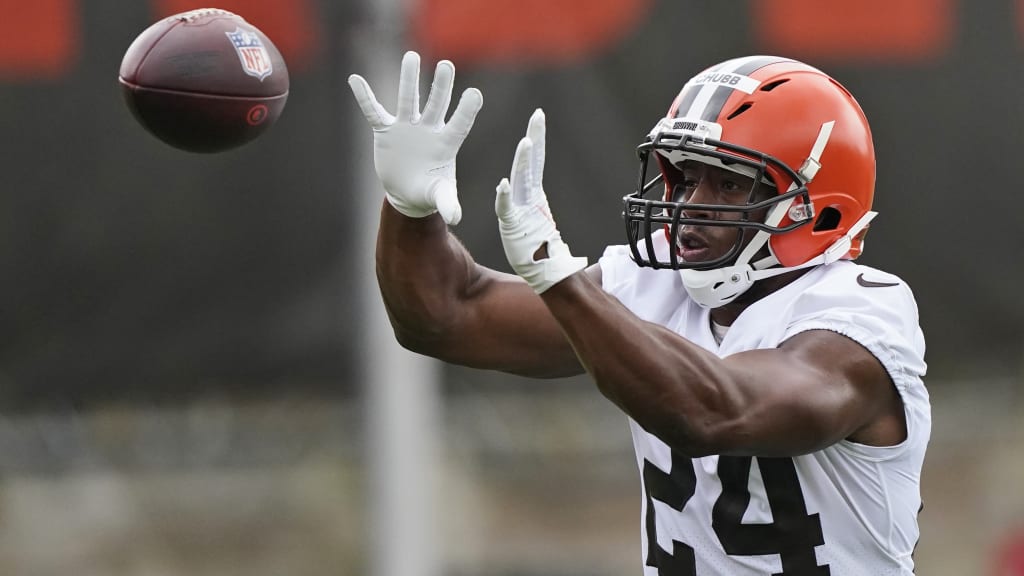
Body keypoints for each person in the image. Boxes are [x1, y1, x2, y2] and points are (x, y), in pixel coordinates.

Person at [349, 51, 930, 575]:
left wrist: (561, 282)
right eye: (686, 177)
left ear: (818, 210)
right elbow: (445, 315)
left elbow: (717, 414)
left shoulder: (860, 313)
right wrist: (409, 207)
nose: (691, 207)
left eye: (729, 185)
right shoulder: (655, 283)